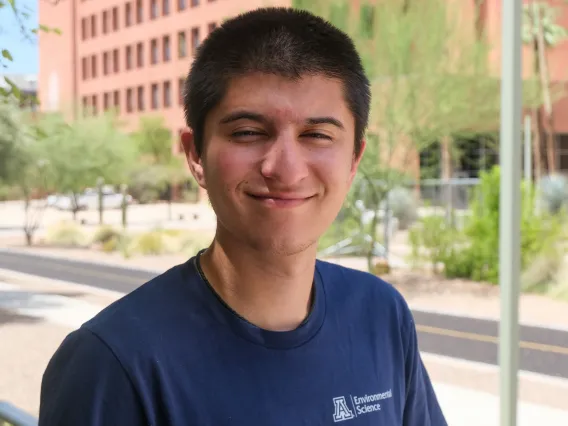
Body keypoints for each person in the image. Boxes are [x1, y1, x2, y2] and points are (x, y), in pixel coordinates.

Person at [39, 7, 447, 425]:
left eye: (317, 135)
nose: (286, 168)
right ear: (195, 154)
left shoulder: (381, 316)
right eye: (249, 132)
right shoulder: (113, 362)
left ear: (354, 159)